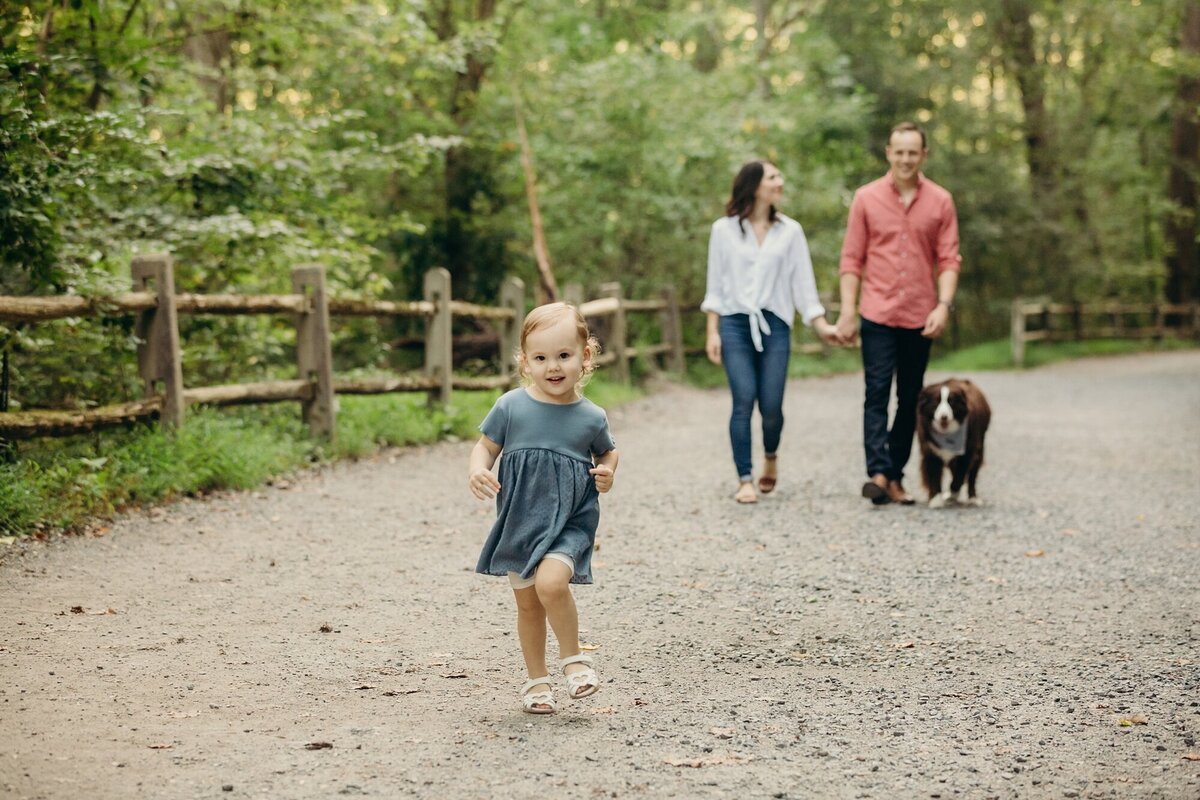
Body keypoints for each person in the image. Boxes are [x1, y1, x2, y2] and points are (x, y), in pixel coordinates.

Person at [468, 302, 619, 715]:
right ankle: (537, 681)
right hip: (521, 519)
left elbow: (608, 453)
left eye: (564, 356)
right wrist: (477, 469)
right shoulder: (510, 407)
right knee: (528, 605)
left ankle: (574, 661)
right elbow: (485, 447)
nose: (553, 366)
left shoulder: (590, 417)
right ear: (525, 362)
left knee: (551, 584)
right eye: (541, 358)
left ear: (585, 356)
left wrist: (606, 472)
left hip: (571, 519)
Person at [835, 121, 961, 505]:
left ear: (924, 155)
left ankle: (894, 474)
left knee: (910, 399)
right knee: (875, 393)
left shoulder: (940, 201)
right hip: (877, 311)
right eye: (899, 151)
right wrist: (847, 312)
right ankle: (877, 471)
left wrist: (943, 305)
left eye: (913, 152)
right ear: (888, 153)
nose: (905, 158)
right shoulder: (866, 198)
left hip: (919, 315)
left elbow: (949, 258)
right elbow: (851, 259)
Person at [702, 159, 838, 505]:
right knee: (743, 399)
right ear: (755, 185)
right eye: (774, 176)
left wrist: (821, 324)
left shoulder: (790, 231)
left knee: (772, 405)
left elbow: (803, 286)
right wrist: (712, 331)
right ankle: (745, 478)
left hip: (775, 323)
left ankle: (772, 456)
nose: (781, 181)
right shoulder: (724, 230)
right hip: (734, 322)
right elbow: (715, 286)